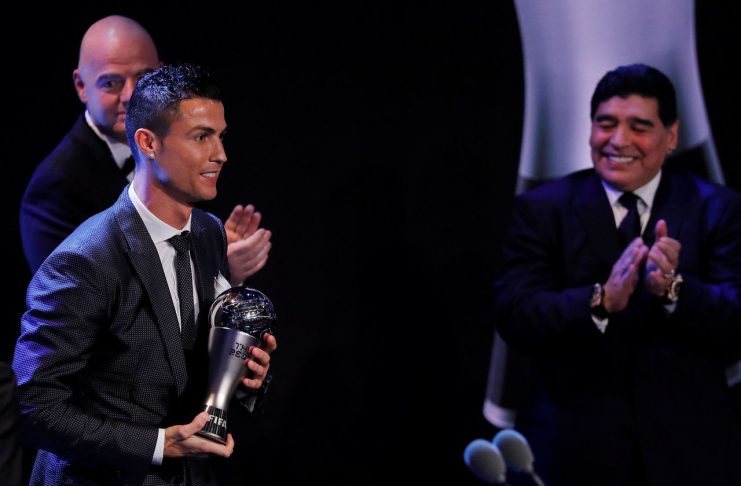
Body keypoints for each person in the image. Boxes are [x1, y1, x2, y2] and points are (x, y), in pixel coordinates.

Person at [12, 63, 277, 486]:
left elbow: (187, 370)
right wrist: (158, 445)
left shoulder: (208, 232)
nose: (220, 154)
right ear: (148, 142)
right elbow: (34, 406)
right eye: (201, 137)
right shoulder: (85, 259)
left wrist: (245, 379)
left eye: (221, 136)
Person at [494, 64, 741, 486]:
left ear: (671, 136)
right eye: (605, 124)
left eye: (639, 127)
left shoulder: (716, 208)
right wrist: (601, 300)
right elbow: (515, 314)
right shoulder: (543, 209)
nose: (619, 140)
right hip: (573, 452)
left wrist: (674, 290)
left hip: (688, 453)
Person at [20, 15, 271, 283]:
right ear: (81, 86)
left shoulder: (186, 151)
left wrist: (213, 248)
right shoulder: (55, 186)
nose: (131, 95)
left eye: (143, 77)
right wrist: (214, 270)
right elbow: (74, 296)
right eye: (111, 82)